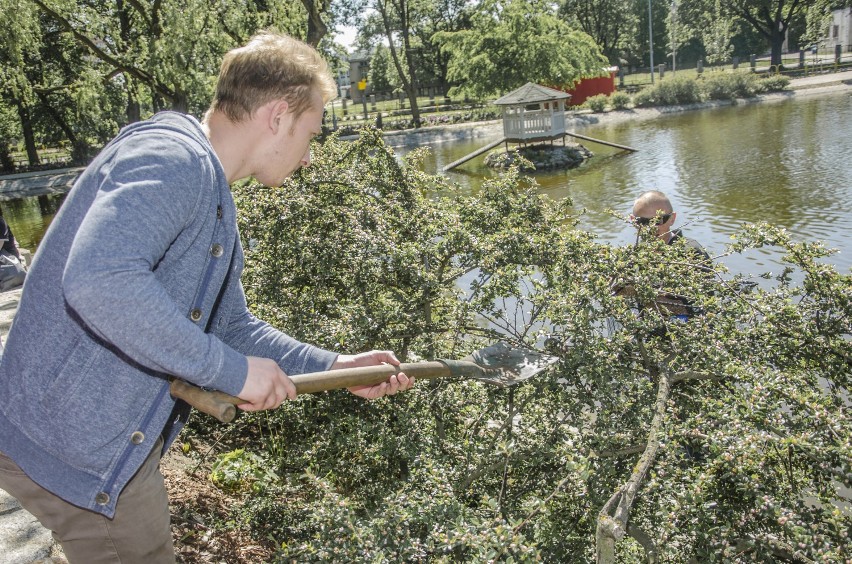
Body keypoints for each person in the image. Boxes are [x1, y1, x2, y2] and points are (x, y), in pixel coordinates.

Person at [0, 31, 413, 563]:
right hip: (77, 446)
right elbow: (99, 279)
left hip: (78, 434)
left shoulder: (209, 194)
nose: (309, 156)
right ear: (278, 116)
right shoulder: (175, 160)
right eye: (312, 133)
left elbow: (231, 327)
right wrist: (233, 372)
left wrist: (339, 366)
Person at [618, 190, 712, 320]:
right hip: (650, 331)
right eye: (644, 222)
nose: (652, 228)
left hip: (687, 332)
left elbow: (707, 302)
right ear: (634, 221)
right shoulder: (634, 255)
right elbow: (618, 292)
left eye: (659, 220)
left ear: (672, 219)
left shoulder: (692, 252)